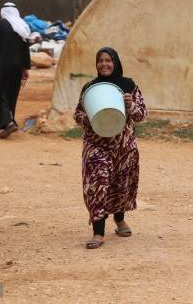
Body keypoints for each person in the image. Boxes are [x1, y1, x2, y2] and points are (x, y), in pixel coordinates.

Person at [74, 47, 147, 249]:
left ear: (115, 62)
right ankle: (98, 232)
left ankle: (119, 219)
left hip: (123, 146)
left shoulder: (128, 86)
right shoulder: (90, 88)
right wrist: (86, 118)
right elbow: (78, 114)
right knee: (98, 182)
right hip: (96, 144)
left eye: (108, 60)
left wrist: (131, 105)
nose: (104, 64)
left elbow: (142, 115)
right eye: (100, 60)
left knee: (120, 183)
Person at [0, 3, 31, 139]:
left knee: (0, 93)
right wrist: (25, 68)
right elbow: (25, 48)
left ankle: (8, 122)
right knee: (12, 93)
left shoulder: (1, 25)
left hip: (4, 64)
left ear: (4, 12)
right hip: (18, 66)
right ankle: (9, 121)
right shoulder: (22, 25)